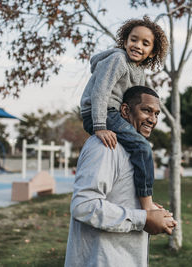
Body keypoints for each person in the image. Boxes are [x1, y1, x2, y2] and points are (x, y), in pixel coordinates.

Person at [65, 86, 177, 267]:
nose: (153, 119)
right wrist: (144, 219)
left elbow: (120, 198)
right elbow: (84, 206)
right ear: (125, 110)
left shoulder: (135, 151)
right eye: (146, 110)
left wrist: (153, 213)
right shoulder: (105, 146)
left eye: (157, 114)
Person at [80, 16, 168, 211]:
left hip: (115, 114)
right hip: (101, 114)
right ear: (125, 41)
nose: (137, 45)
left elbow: (137, 100)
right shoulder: (118, 59)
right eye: (133, 39)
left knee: (138, 144)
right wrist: (100, 127)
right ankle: (147, 204)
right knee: (142, 147)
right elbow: (100, 92)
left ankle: (131, 196)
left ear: (152, 52)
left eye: (145, 43)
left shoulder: (139, 71)